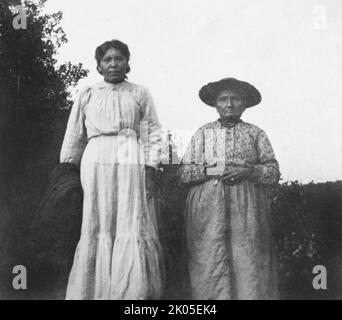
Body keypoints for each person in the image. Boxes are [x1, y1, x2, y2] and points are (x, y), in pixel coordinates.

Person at [60, 39, 164, 300]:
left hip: (130, 158)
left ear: (128, 63)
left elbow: (152, 132)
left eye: (119, 59)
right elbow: (74, 135)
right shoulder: (88, 94)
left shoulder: (139, 93)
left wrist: (151, 167)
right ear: (98, 66)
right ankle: (93, 291)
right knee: (98, 220)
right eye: (107, 59)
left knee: (130, 218)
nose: (114, 64)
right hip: (95, 159)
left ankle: (130, 293)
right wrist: (66, 171)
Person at [179, 78, 280, 300]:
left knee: (249, 260)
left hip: (247, 207)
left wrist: (249, 172)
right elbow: (184, 172)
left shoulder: (256, 134)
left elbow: (273, 172)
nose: (229, 104)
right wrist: (210, 171)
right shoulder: (203, 133)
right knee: (209, 261)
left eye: (236, 99)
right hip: (208, 209)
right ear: (215, 104)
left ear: (244, 105)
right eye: (223, 99)